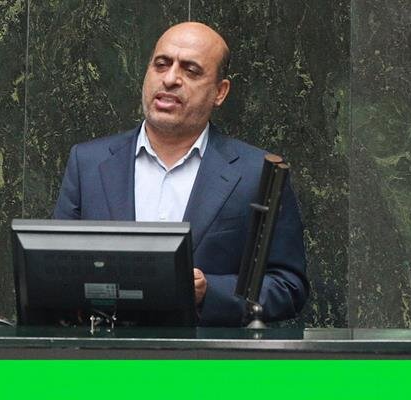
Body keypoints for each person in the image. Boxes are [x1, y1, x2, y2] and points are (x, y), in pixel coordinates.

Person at [54, 22, 308, 326]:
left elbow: (289, 286)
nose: (170, 78)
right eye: (161, 64)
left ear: (220, 92)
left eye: (191, 70)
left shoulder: (255, 173)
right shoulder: (89, 163)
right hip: (109, 352)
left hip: (204, 354)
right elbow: (54, 270)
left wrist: (209, 291)